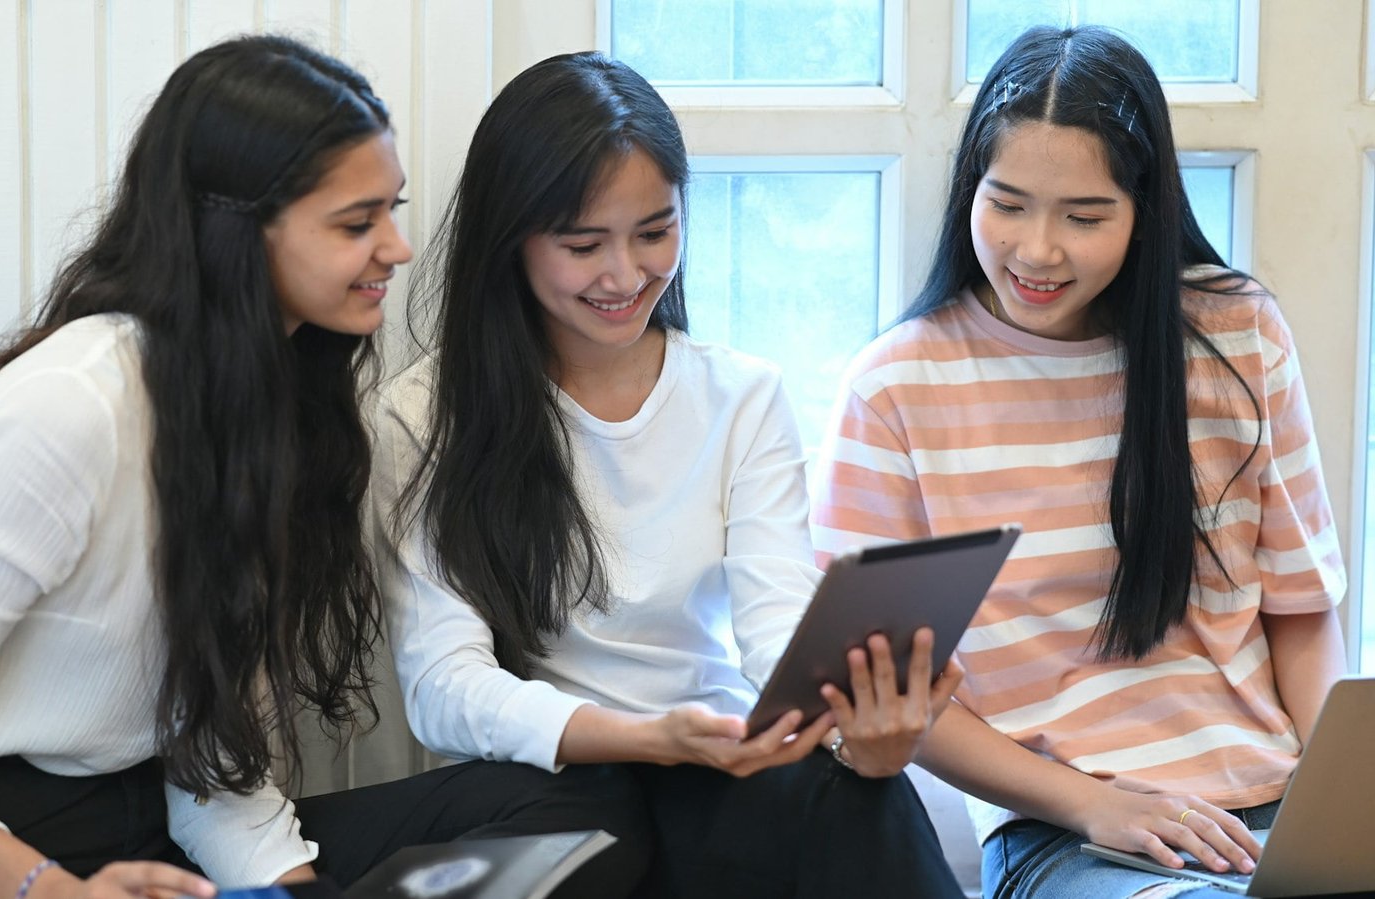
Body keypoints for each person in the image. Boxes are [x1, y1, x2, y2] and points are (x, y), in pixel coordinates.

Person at [0, 35, 647, 899]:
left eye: (390, 211)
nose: (396, 247)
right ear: (238, 233)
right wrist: (50, 891)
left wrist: (295, 890)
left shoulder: (277, 415)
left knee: (575, 811)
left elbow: (210, 758)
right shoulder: (69, 407)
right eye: (358, 222)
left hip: (136, 825)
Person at [372, 51, 965, 899]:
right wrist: (648, 736)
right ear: (514, 239)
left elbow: (777, 632)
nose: (625, 276)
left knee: (866, 798)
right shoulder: (425, 415)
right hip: (552, 785)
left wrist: (852, 730)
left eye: (655, 231)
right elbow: (444, 687)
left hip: (716, 761)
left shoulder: (741, 395)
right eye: (584, 244)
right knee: (603, 823)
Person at [810, 25, 1348, 899]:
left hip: (1275, 810)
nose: (1036, 250)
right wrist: (1092, 804)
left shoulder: (1236, 333)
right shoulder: (896, 388)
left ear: (1144, 213)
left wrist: (1341, 805)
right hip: (1070, 838)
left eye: (1084, 216)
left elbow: (1299, 610)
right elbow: (889, 688)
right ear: (968, 192)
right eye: (1008, 203)